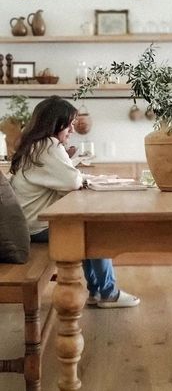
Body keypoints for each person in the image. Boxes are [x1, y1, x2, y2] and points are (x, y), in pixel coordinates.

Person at [10, 95, 140, 309]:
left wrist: (69, 164)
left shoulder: (34, 145)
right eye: (69, 125)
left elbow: (59, 179)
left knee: (86, 226)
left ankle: (98, 291)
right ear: (56, 123)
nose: (71, 130)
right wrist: (74, 170)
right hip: (37, 226)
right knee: (95, 232)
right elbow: (72, 181)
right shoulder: (48, 145)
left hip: (29, 223)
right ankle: (107, 293)